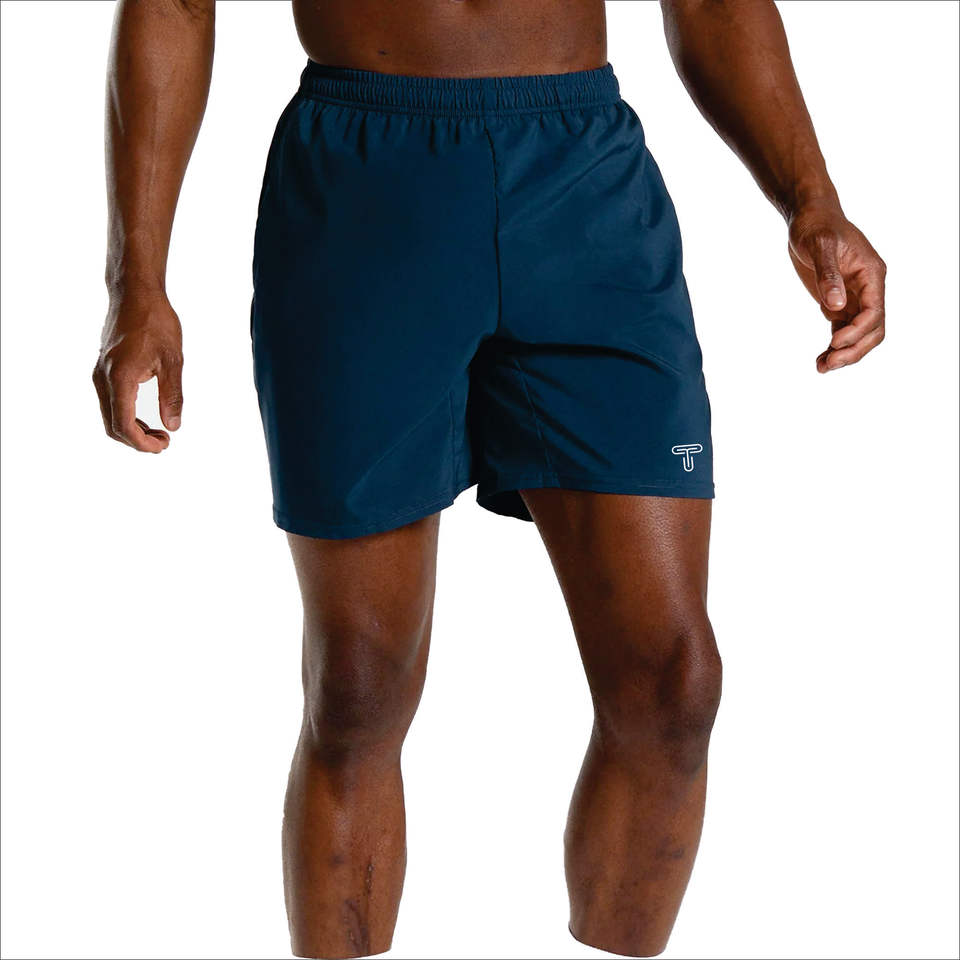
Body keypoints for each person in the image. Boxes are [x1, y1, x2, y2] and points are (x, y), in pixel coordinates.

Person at [92, 0, 886, 956]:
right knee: (358, 687)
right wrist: (137, 279)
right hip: (365, 181)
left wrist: (811, 198)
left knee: (672, 684)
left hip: (584, 186)